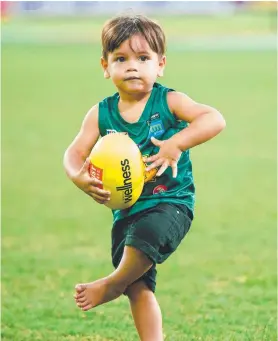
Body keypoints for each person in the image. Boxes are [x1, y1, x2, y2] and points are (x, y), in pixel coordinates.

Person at [63, 14, 226, 341]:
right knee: (139, 288)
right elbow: (74, 153)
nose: (132, 66)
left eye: (143, 58)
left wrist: (175, 144)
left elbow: (214, 119)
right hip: (126, 211)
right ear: (105, 66)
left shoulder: (168, 101)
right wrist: (77, 177)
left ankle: (111, 283)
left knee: (144, 241)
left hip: (170, 203)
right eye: (121, 59)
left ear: (160, 65)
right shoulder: (100, 114)